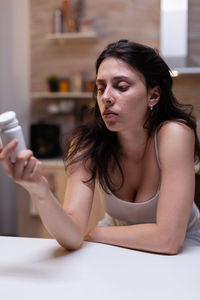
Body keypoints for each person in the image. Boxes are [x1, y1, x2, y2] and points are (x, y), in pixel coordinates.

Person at [1, 40, 200, 254]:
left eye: (121, 87)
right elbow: (71, 235)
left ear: (153, 95)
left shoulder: (174, 134)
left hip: (182, 250)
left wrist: (97, 233)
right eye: (101, 87)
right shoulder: (86, 144)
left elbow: (168, 240)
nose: (106, 97)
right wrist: (38, 189)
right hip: (115, 247)